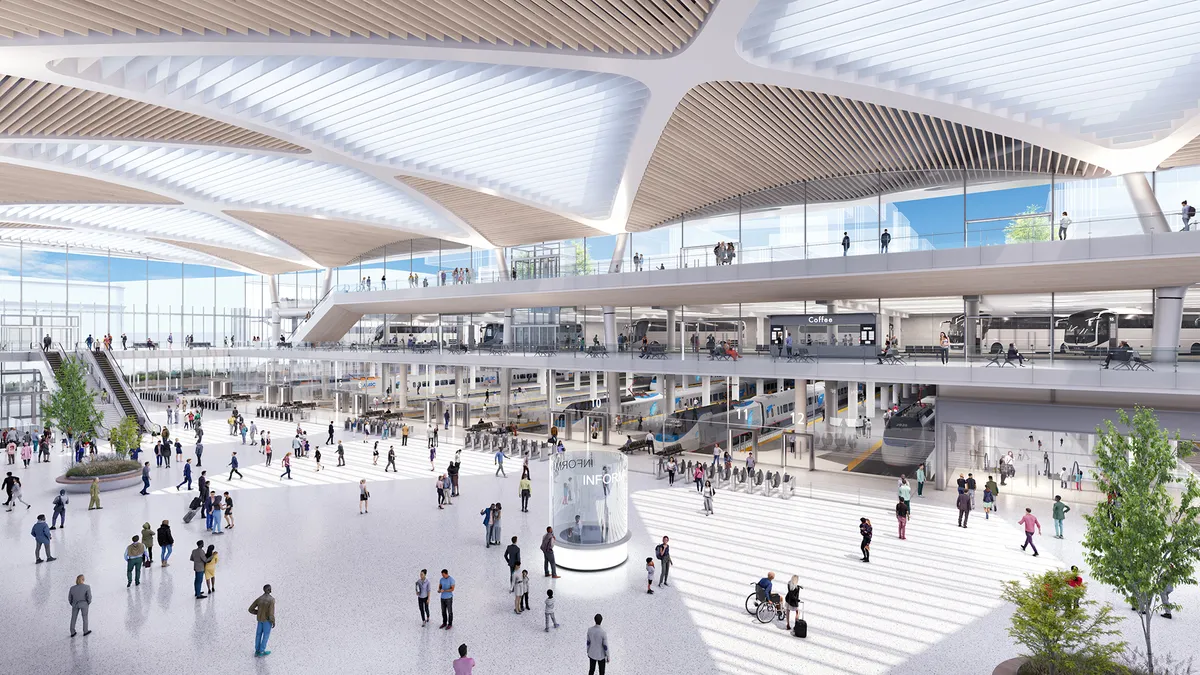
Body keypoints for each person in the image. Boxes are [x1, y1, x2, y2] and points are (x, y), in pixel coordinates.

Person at [250, 584, 276, 657]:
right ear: (269, 590)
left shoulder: (259, 598)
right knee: (265, 635)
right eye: (270, 589)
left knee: (258, 634)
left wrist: (258, 613)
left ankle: (257, 650)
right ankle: (262, 651)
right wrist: (273, 621)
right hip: (267, 620)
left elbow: (250, 609)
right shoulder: (271, 600)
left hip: (259, 620)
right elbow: (271, 613)